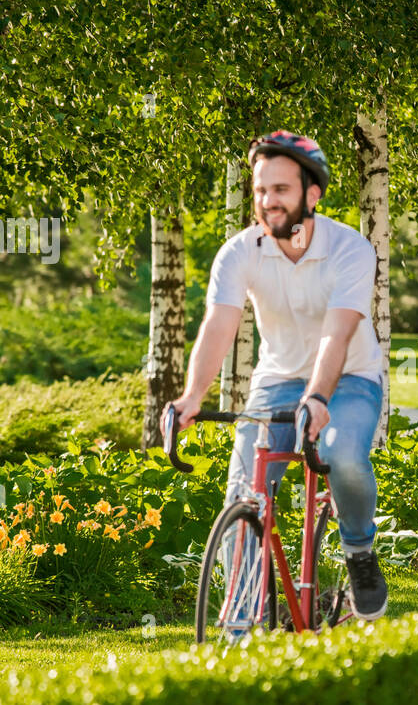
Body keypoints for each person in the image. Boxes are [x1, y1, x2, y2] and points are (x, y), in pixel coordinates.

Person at [167, 130, 390, 621]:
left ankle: (358, 550)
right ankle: (240, 619)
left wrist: (317, 396)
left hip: (350, 376)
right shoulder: (239, 251)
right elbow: (220, 323)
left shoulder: (349, 248)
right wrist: (191, 396)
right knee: (246, 488)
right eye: (261, 189)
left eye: (281, 189)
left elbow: (338, 332)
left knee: (343, 457)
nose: (268, 201)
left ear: (313, 193)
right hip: (277, 378)